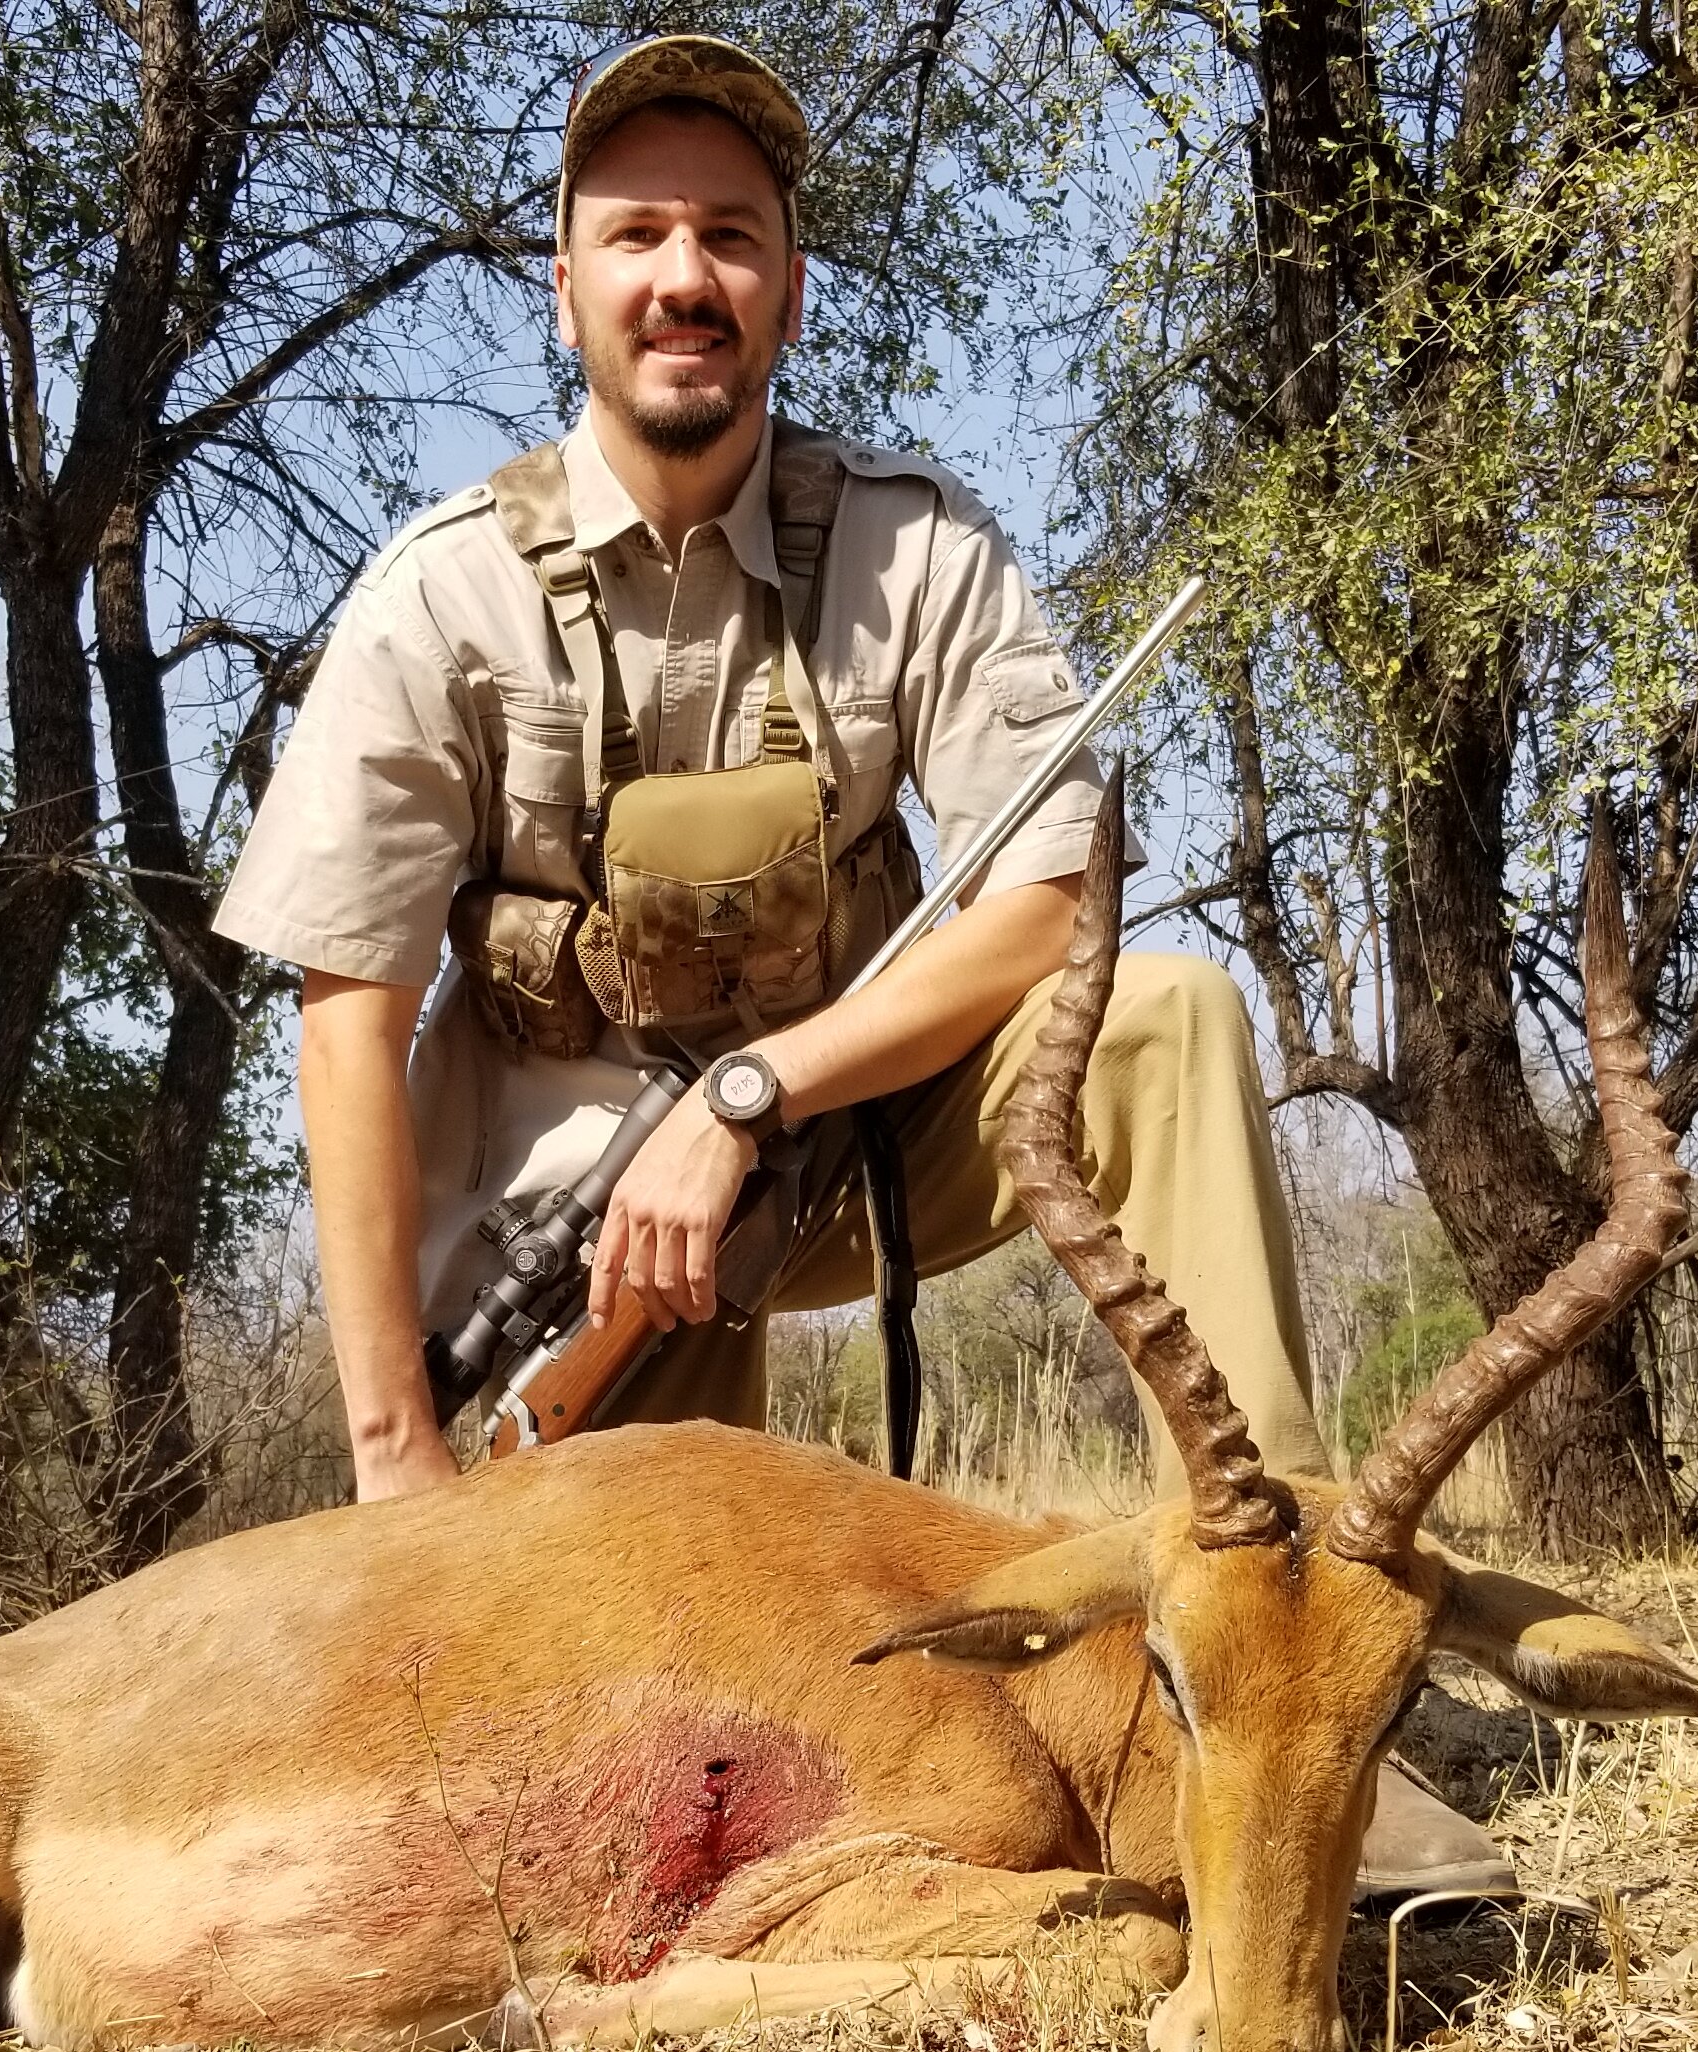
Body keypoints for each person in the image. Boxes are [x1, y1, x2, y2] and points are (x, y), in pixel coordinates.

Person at [210, 33, 1506, 1901]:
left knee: (1170, 1018)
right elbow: (347, 1007)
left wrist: (753, 1094)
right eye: (638, 232)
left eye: (730, 238)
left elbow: (1062, 900)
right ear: (562, 276)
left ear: (788, 285)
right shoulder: (436, 594)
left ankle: (1279, 1652)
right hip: (583, 1257)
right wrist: (392, 1462)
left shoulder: (914, 544)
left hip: (844, 1141)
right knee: (572, 1730)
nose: (685, 280)